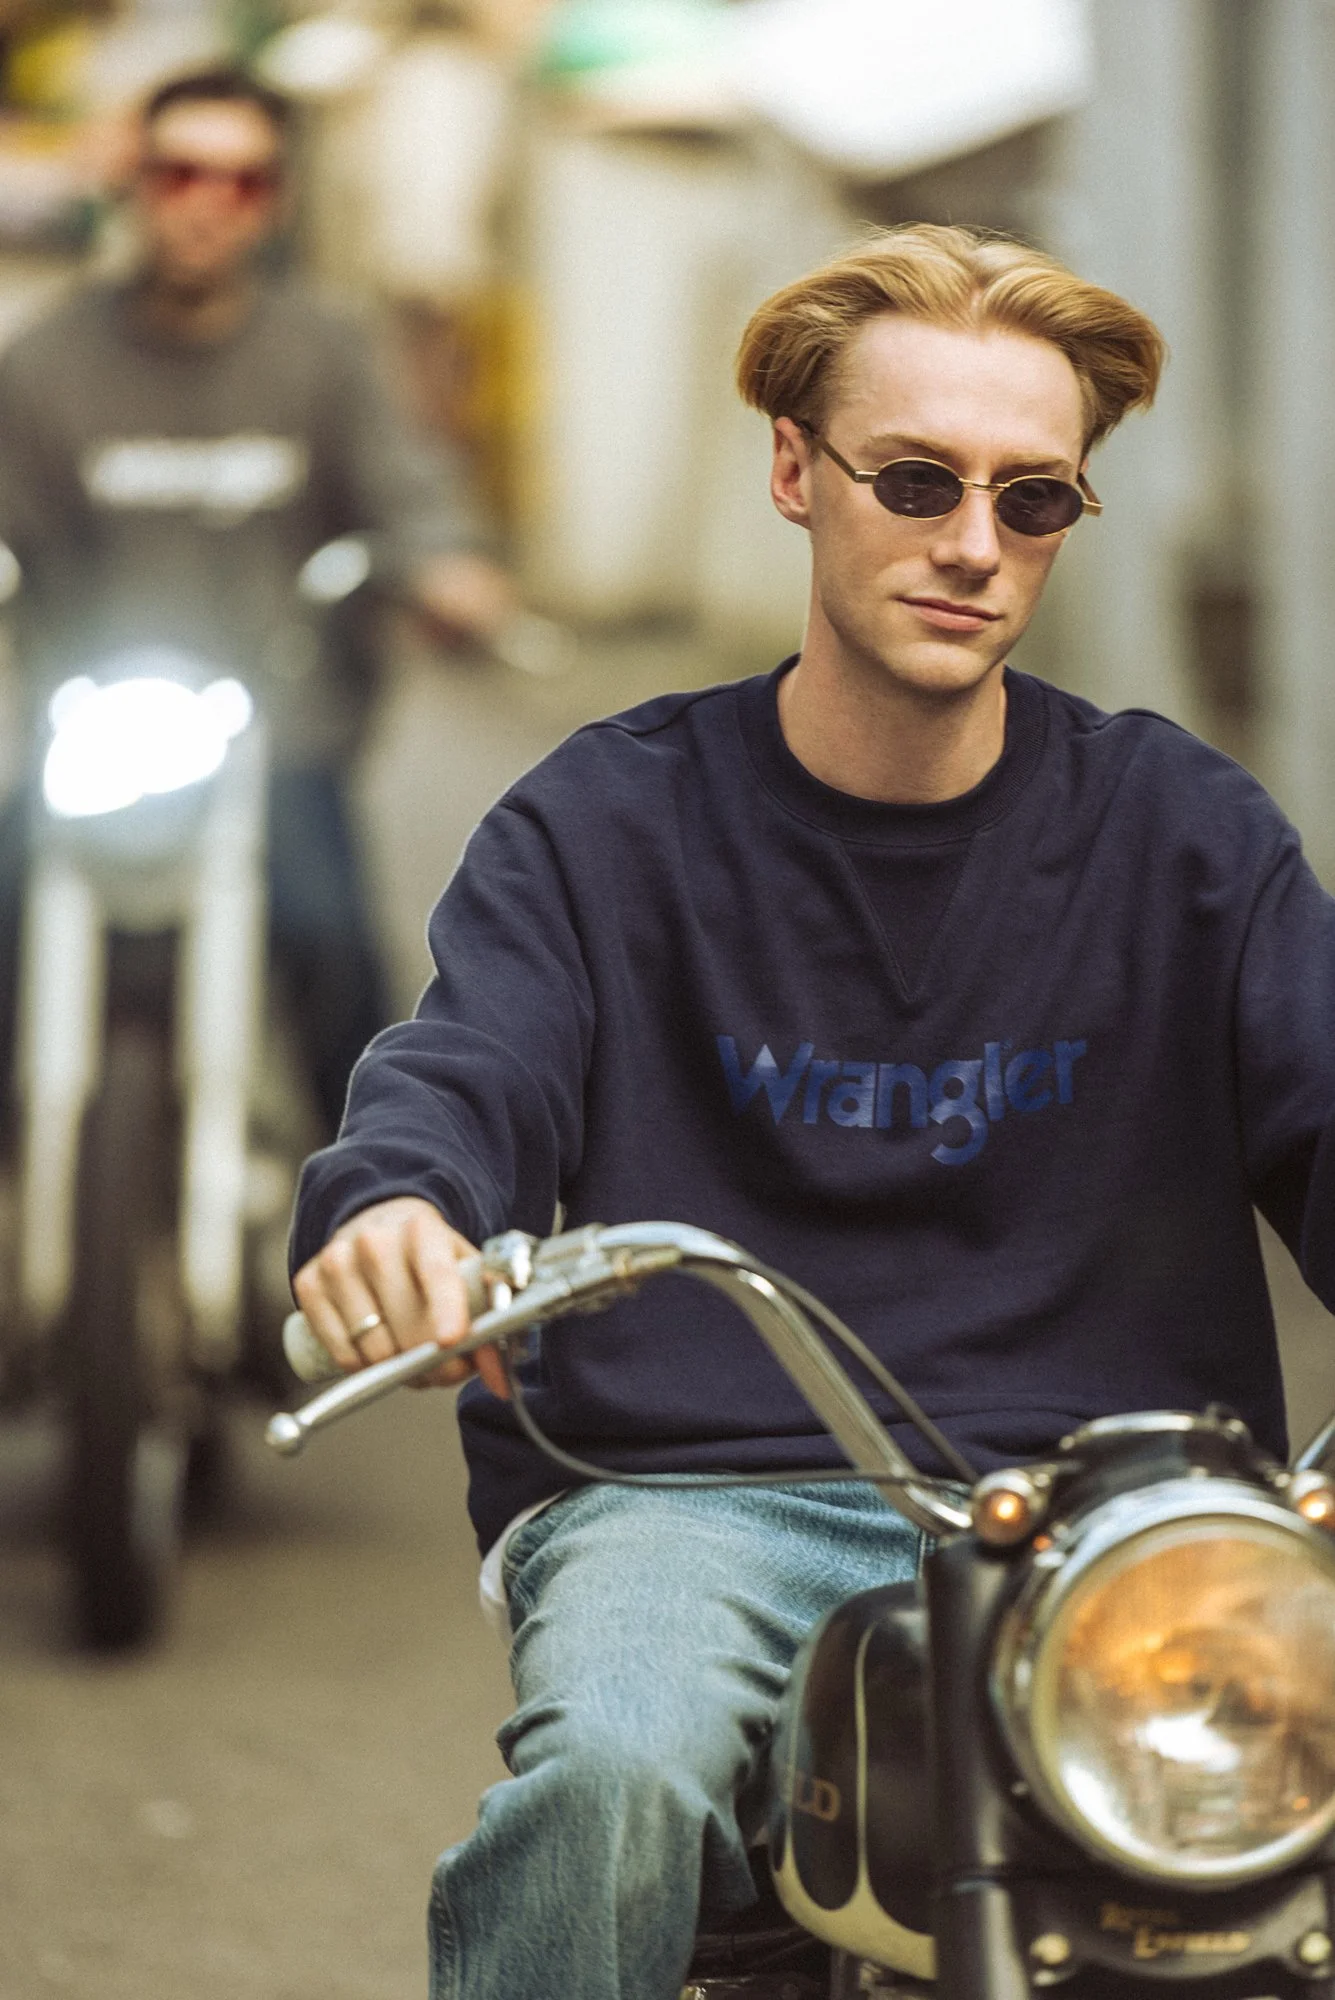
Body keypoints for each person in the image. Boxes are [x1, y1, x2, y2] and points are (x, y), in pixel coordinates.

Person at [290, 224, 1335, 1999]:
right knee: (612, 1782)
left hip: (1128, 1517)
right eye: (917, 479)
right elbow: (473, 1066)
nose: (972, 545)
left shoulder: (1183, 834)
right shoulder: (602, 824)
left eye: (1036, 503)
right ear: (795, 469)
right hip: (695, 1501)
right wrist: (402, 1209)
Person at [0, 64, 517, 1137]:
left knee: (333, 943)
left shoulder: (324, 354)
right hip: (82, 734)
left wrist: (448, 568)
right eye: (181, 172)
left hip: (277, 736)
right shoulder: (44, 364)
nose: (206, 203)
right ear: (135, 183)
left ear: (273, 201)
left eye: (241, 181)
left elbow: (408, 489)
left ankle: (378, 1201)